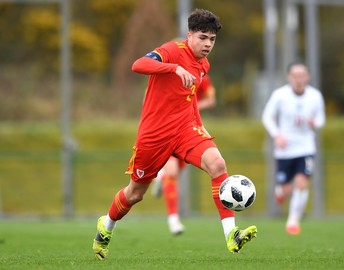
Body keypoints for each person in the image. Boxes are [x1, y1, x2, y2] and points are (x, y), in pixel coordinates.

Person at [92, 9, 257, 260]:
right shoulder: (171, 50)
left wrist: (200, 127)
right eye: (203, 37)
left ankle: (231, 234)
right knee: (135, 194)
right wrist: (172, 68)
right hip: (154, 135)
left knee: (217, 164)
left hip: (184, 130)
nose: (208, 44)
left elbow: (189, 100)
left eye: (212, 39)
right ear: (190, 35)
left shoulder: (204, 65)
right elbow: (138, 65)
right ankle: (107, 226)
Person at [261, 61, 325, 235]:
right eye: (295, 75)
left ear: (308, 77)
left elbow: (321, 118)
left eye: (302, 75)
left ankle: (293, 221)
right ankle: (280, 191)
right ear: (289, 77)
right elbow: (267, 116)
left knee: (302, 184)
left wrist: (315, 122)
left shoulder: (315, 96)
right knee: (287, 189)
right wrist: (277, 135)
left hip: (306, 148)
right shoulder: (280, 95)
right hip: (284, 150)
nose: (299, 79)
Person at [151, 74, 216, 235]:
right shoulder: (167, 74)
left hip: (188, 129)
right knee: (172, 172)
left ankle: (160, 176)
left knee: (174, 172)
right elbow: (150, 98)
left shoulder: (202, 76)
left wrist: (191, 106)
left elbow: (211, 100)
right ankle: (173, 219)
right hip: (166, 128)